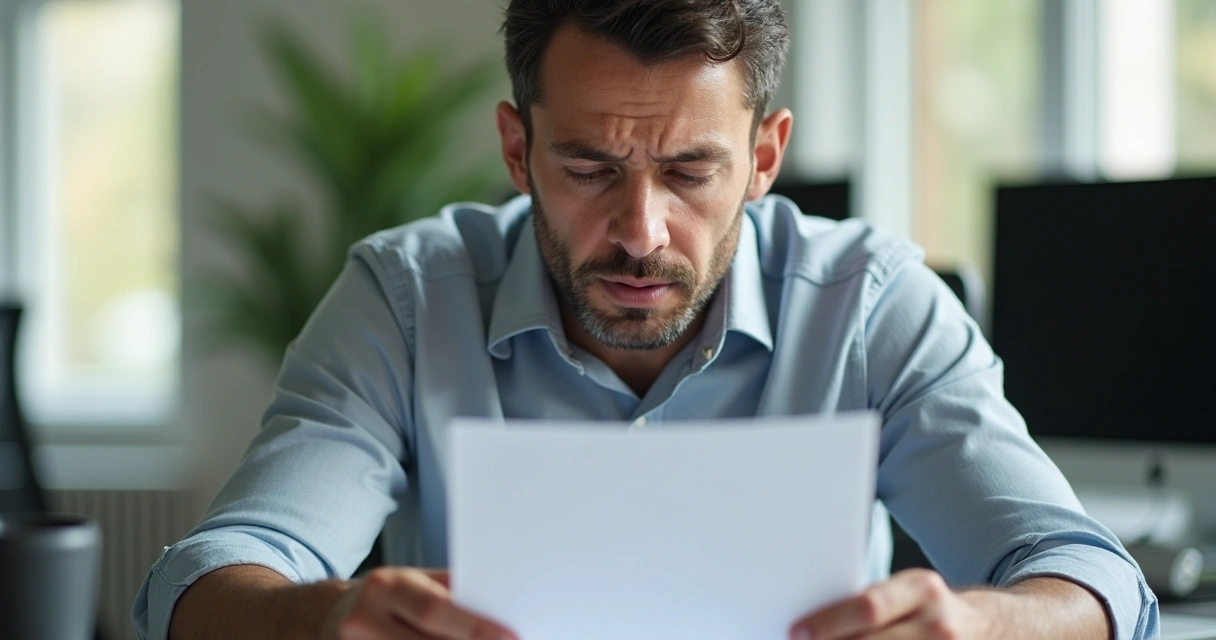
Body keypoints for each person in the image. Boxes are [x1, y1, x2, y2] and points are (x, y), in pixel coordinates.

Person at [134, 1, 1159, 639]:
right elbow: (203, 585)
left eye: (689, 170)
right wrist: (317, 619)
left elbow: (1093, 582)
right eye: (587, 168)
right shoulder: (401, 299)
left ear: (764, 156)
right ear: (515, 147)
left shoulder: (872, 304)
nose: (639, 229)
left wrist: (977, 625)